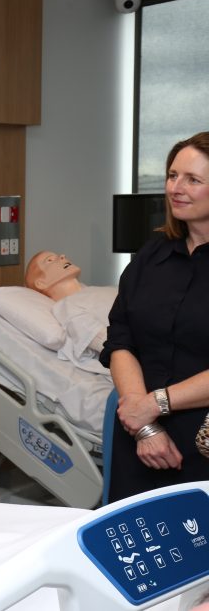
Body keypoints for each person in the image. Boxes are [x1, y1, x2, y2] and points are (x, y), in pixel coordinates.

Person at [100, 131, 209, 501]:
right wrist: (143, 422)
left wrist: (153, 404)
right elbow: (121, 338)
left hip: (202, 443)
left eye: (193, 180)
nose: (176, 188)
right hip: (140, 441)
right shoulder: (151, 255)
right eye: (173, 175)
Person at [25, 250, 117, 368]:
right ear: (41, 283)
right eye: (50, 260)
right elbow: (106, 342)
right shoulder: (66, 306)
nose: (62, 256)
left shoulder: (97, 290)